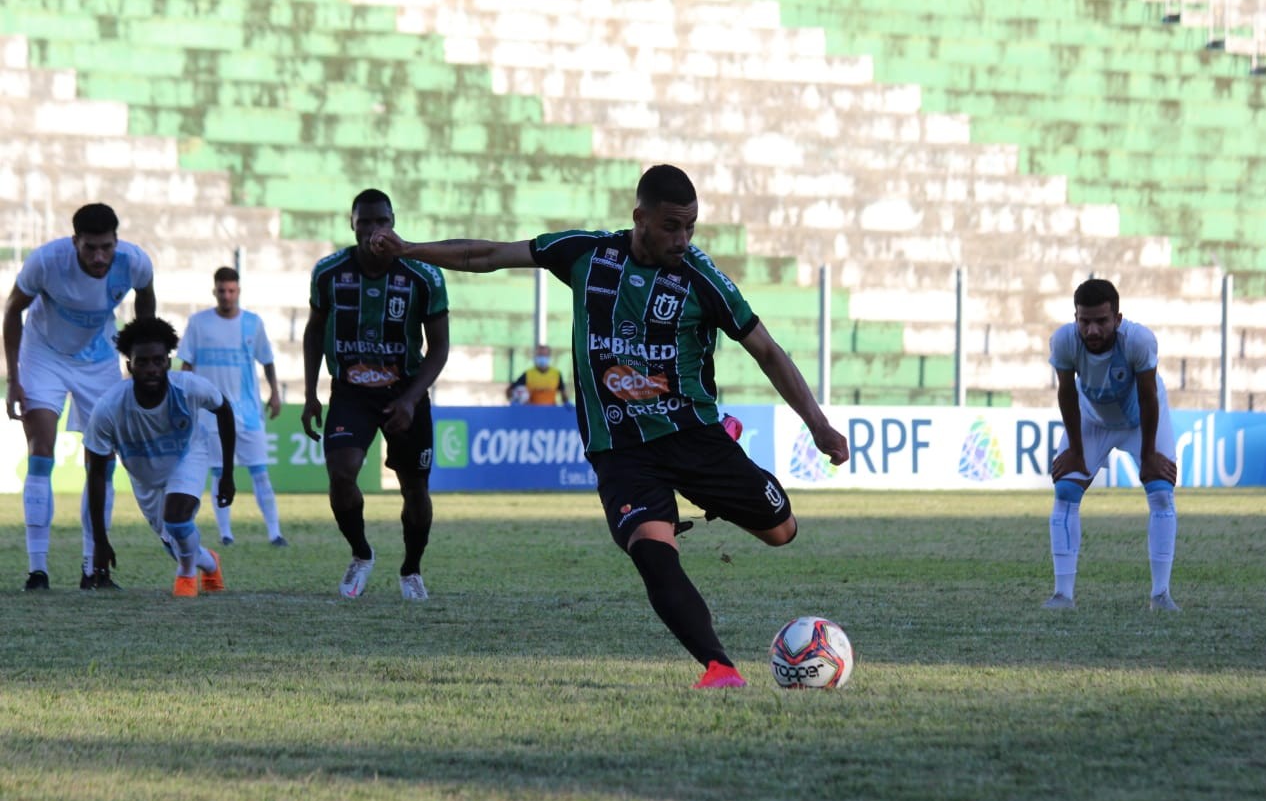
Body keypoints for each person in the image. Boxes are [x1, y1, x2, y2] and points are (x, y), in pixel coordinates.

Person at [371, 164, 850, 688]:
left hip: (692, 434)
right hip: (620, 450)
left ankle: (721, 460)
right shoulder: (586, 253)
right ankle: (720, 668)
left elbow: (767, 351)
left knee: (782, 531)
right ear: (639, 217)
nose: (682, 239)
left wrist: (818, 425)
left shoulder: (701, 277)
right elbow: (486, 255)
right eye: (671, 226)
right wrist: (408, 248)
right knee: (652, 551)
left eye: (690, 227)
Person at [301, 188, 450, 601]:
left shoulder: (424, 274)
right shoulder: (328, 272)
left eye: (380, 220)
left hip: (406, 390)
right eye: (364, 221)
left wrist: (410, 399)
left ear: (393, 221)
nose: (373, 229)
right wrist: (311, 392)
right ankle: (361, 554)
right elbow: (314, 331)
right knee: (341, 474)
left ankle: (411, 569)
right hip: (351, 390)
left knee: (415, 490)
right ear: (352, 224)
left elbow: (438, 347)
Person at [3, 203, 156, 591]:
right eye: (90, 248)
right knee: (41, 450)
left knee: (101, 461)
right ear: (75, 243)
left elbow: (146, 299)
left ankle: (94, 569)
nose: (99, 256)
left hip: (99, 357)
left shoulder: (135, 262)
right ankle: (38, 570)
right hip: (44, 355)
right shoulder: (46, 262)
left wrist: (135, 357)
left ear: (117, 242)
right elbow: (11, 310)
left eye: (106, 246)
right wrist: (14, 378)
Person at [1043, 278, 1180, 612]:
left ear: (1117, 319)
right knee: (1065, 493)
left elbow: (1148, 397)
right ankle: (1063, 595)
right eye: (1084, 321)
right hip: (1093, 419)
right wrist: (1075, 450)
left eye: (1101, 321)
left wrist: (1148, 455)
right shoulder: (1063, 341)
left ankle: (1160, 595)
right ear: (1075, 318)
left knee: (1161, 492)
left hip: (1140, 421)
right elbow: (1066, 393)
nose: (1092, 330)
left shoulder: (1138, 340)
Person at [84, 317, 236, 597]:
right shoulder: (109, 408)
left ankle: (186, 576)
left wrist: (227, 474)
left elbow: (224, 409)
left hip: (187, 455)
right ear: (129, 364)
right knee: (178, 545)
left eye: (158, 360)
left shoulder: (189, 388)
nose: (151, 369)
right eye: (142, 362)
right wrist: (99, 541)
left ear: (168, 361)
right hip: (145, 479)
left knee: (177, 519)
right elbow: (95, 474)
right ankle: (209, 562)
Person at [178, 266, 287, 547]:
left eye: (231, 290)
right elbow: (186, 364)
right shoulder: (198, 323)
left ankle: (275, 533)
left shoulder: (253, 323)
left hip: (248, 413)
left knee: (260, 472)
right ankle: (226, 534)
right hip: (209, 414)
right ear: (214, 291)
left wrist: (274, 393)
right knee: (218, 471)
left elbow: (267, 360)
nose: (226, 295)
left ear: (238, 291)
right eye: (222, 290)